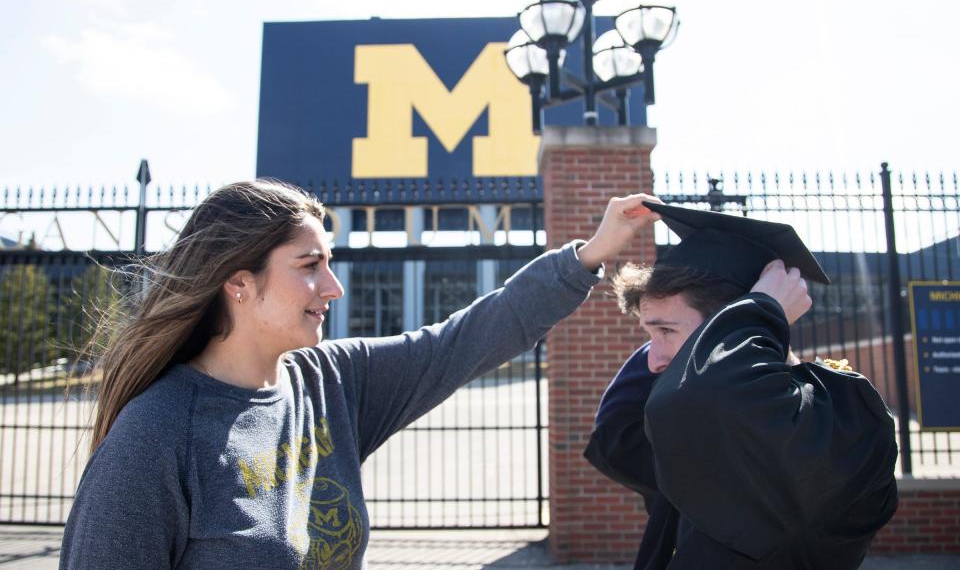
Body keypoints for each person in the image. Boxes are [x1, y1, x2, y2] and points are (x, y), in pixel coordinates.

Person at [59, 180, 660, 570]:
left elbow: (465, 341)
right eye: (309, 265)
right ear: (238, 283)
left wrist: (590, 254)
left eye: (330, 263)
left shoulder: (330, 382)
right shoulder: (154, 436)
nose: (333, 286)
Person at [584, 201, 898, 570]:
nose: (653, 360)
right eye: (650, 333)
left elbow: (703, 392)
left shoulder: (832, 426)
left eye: (666, 331)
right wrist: (733, 324)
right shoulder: (691, 422)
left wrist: (754, 314)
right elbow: (615, 433)